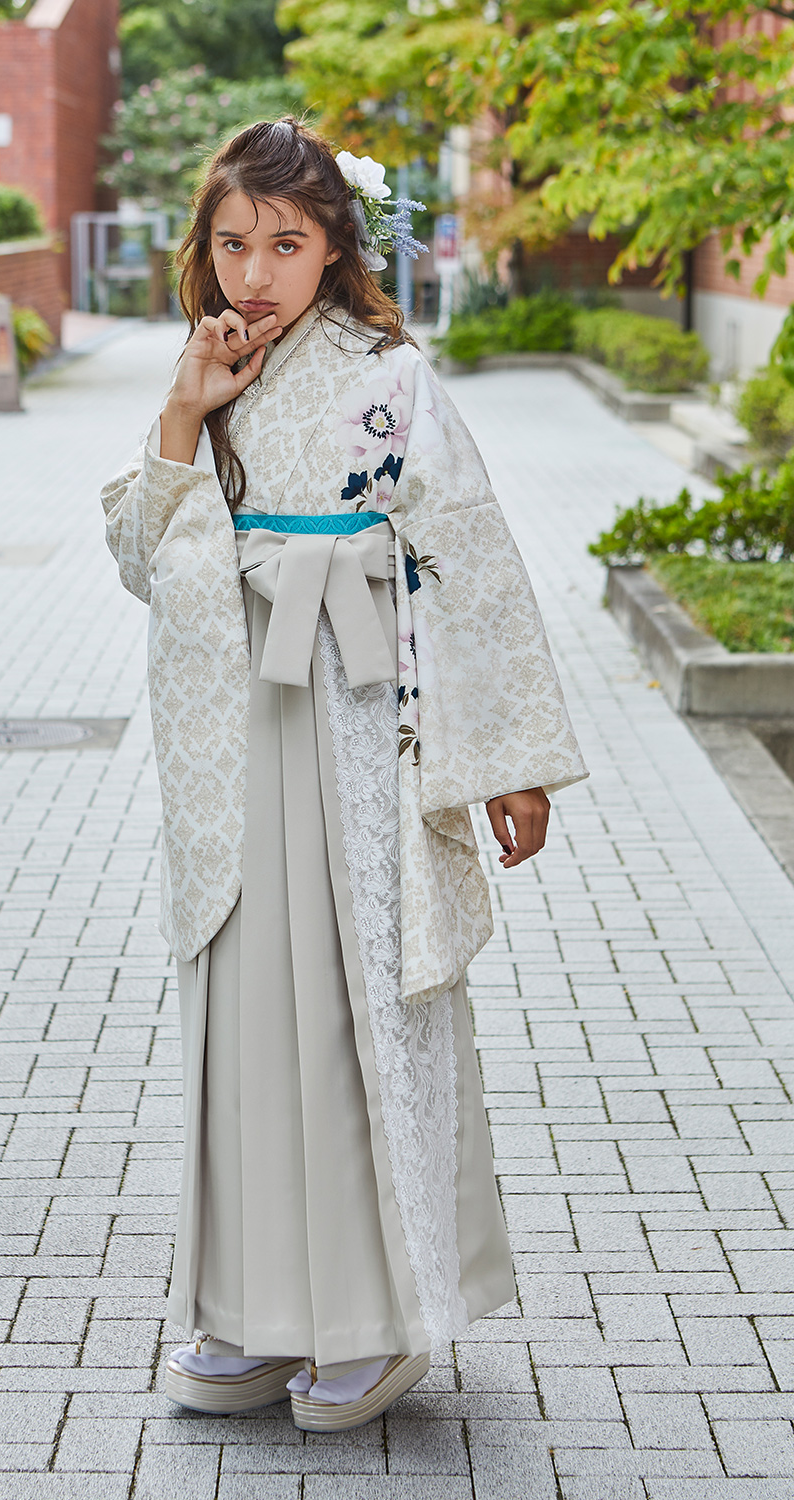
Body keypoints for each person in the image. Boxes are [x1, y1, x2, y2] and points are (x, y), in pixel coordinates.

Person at [101, 117, 587, 1432]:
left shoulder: (390, 377)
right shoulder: (212, 375)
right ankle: (251, 1312)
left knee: (353, 994)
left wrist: (512, 762)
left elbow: (471, 558)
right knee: (248, 1003)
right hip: (239, 714)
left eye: (286, 243)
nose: (254, 272)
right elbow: (146, 561)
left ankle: (375, 1319)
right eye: (232, 243)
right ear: (204, 250)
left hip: (364, 715)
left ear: (333, 249)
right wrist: (183, 413)